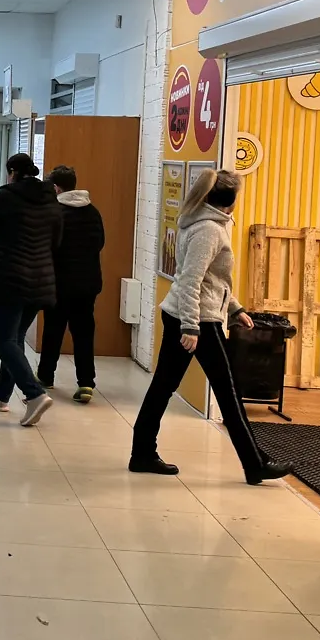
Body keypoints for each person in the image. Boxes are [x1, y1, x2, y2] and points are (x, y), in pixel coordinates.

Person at [129, 169, 293, 484]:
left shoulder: (202, 221)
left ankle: (142, 452)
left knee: (164, 385)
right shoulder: (209, 230)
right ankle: (255, 464)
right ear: (230, 200)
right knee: (228, 392)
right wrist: (191, 327)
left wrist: (234, 308)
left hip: (186, 314)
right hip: (198, 321)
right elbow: (192, 280)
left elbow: (213, 280)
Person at [0, 153, 63, 426]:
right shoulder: (52, 200)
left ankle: (34, 394)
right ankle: (0, 395)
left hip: (9, 278)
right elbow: (56, 241)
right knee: (14, 337)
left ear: (12, 172)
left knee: (1, 337)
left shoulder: (5, 196)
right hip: (41, 279)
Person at [37, 165, 104, 403]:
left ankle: (45, 376)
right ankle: (86, 383)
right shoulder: (93, 212)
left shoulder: (55, 212)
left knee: (53, 330)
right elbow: (99, 243)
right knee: (84, 333)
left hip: (59, 283)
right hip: (87, 284)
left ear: (56, 188)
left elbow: (48, 246)